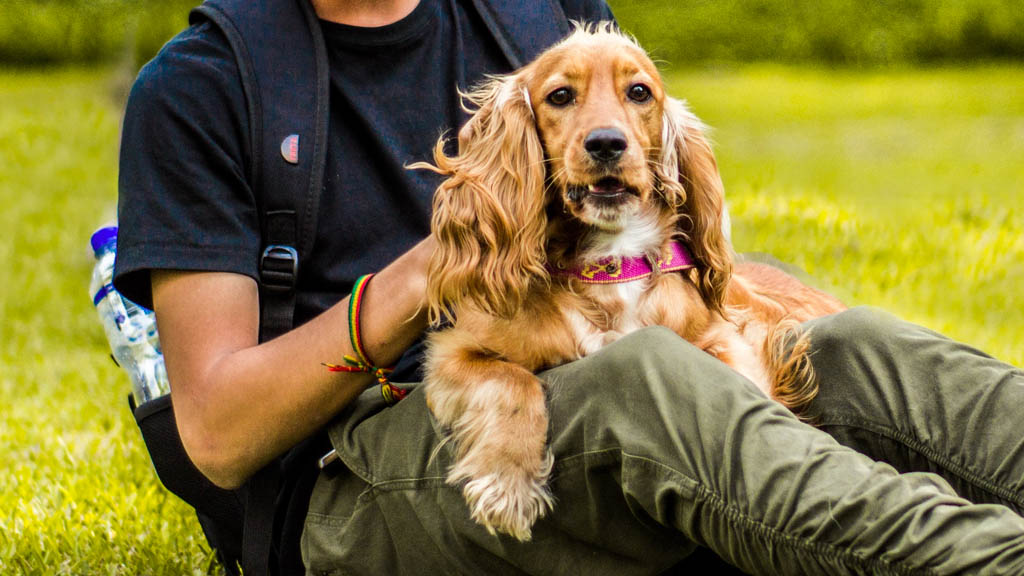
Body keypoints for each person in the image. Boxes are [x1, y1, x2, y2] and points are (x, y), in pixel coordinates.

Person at [114, 0, 1024, 574]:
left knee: (852, 347)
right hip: (358, 479)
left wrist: (727, 299)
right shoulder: (202, 87)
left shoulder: (539, 15)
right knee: (651, 383)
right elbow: (217, 437)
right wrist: (427, 276)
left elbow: (645, 226)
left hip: (596, 374)